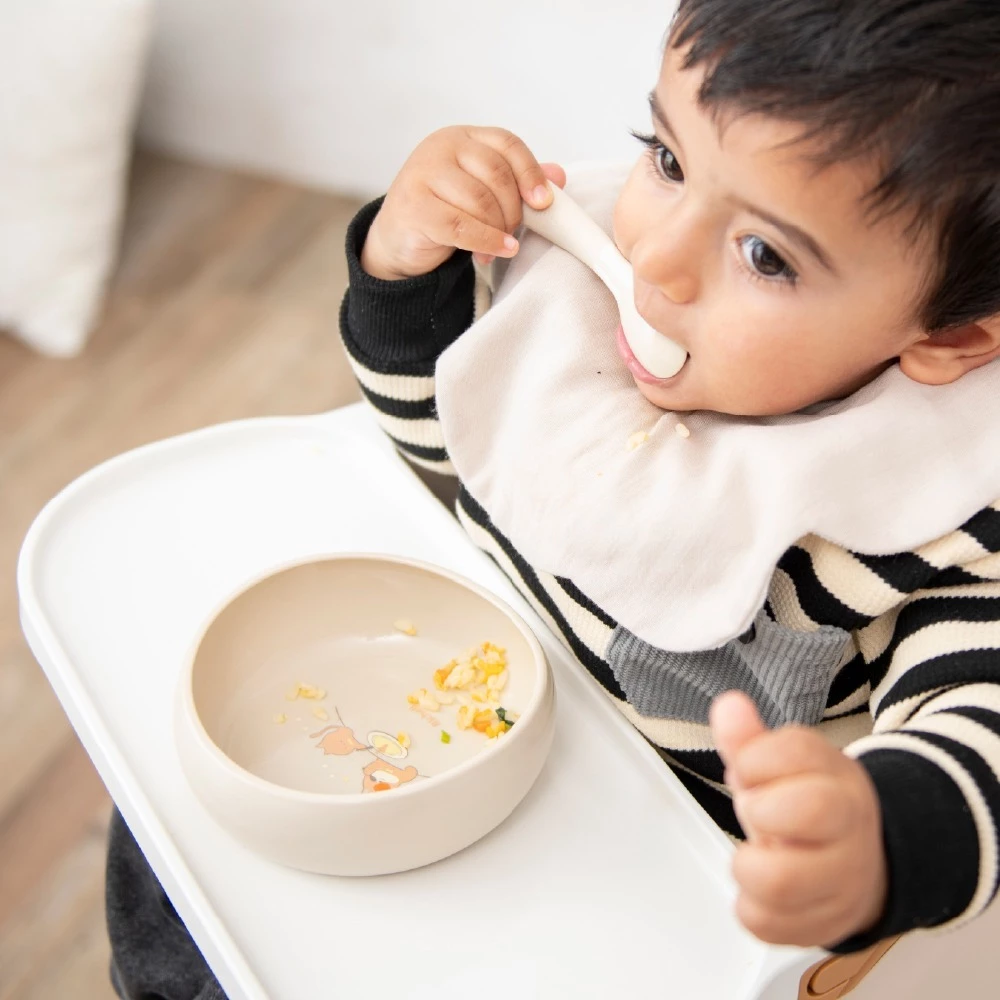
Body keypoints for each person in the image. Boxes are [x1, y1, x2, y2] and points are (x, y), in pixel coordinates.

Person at [105, 1, 1000, 995]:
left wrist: (873, 838)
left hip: (607, 906)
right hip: (430, 716)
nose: (655, 258)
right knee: (170, 850)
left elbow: (979, 744)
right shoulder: (593, 280)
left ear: (952, 338)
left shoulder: (937, 508)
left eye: (765, 257)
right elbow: (451, 462)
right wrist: (407, 278)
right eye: (665, 157)